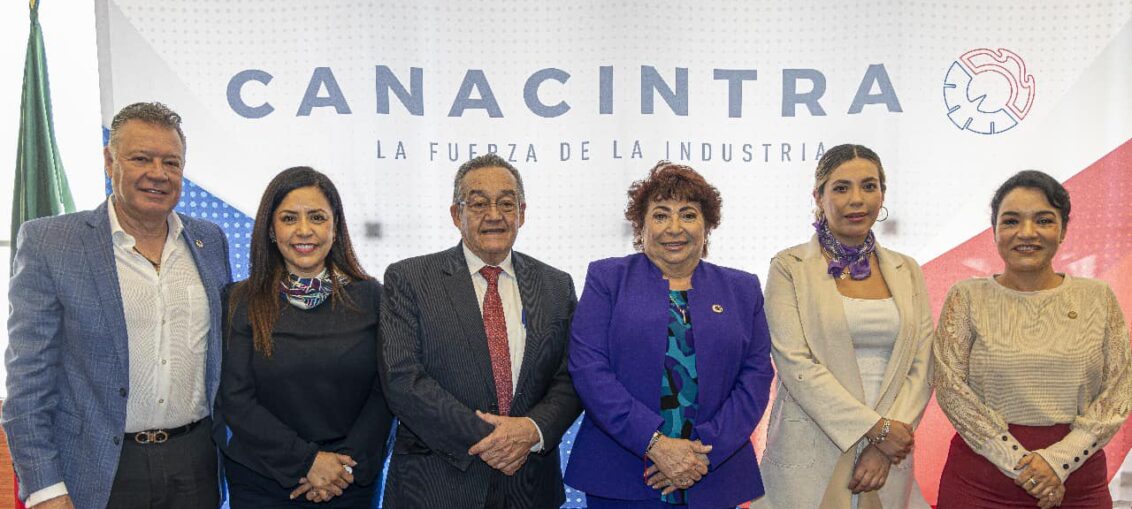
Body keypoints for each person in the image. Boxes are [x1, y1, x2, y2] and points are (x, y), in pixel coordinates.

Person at [2, 102, 232, 509]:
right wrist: (44, 488)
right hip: (98, 470)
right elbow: (28, 381)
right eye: (141, 158)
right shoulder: (52, 243)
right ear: (109, 161)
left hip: (196, 464)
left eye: (171, 162)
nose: (158, 173)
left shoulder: (209, 240)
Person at [565, 161, 774, 509]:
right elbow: (589, 369)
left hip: (713, 474)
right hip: (623, 475)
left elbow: (755, 377)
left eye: (688, 215)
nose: (674, 228)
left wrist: (702, 454)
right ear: (641, 225)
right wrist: (655, 444)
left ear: (707, 224)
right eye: (661, 215)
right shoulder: (607, 279)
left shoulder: (742, 288)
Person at [379, 153, 581, 508]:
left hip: (529, 487)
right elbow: (402, 378)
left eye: (506, 203)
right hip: (435, 488)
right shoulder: (409, 279)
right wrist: (496, 440)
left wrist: (531, 431)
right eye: (478, 203)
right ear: (456, 214)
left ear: (522, 213)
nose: (494, 215)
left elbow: (571, 376)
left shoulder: (556, 286)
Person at [934, 170, 1131, 509]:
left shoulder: (1097, 297)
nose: (1027, 233)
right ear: (994, 231)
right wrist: (1026, 467)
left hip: (1077, 480)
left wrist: (1058, 462)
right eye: (1011, 221)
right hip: (981, 483)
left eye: (1043, 220)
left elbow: (1119, 392)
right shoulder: (966, 297)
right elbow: (950, 389)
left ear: (1063, 230)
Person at [755, 144, 933, 509]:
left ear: (883, 193)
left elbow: (923, 363)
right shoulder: (789, 266)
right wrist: (875, 430)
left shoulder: (908, 269)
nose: (857, 199)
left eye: (869, 186)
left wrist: (885, 444)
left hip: (889, 455)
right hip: (811, 446)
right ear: (818, 197)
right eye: (841, 188)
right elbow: (795, 364)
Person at [214, 167, 393, 507]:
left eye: (317, 217)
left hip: (349, 480)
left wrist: (343, 468)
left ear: (335, 227)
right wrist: (307, 462)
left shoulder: (373, 297)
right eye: (289, 218)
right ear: (271, 229)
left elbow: (385, 394)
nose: (304, 230)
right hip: (263, 482)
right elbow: (235, 399)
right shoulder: (239, 301)